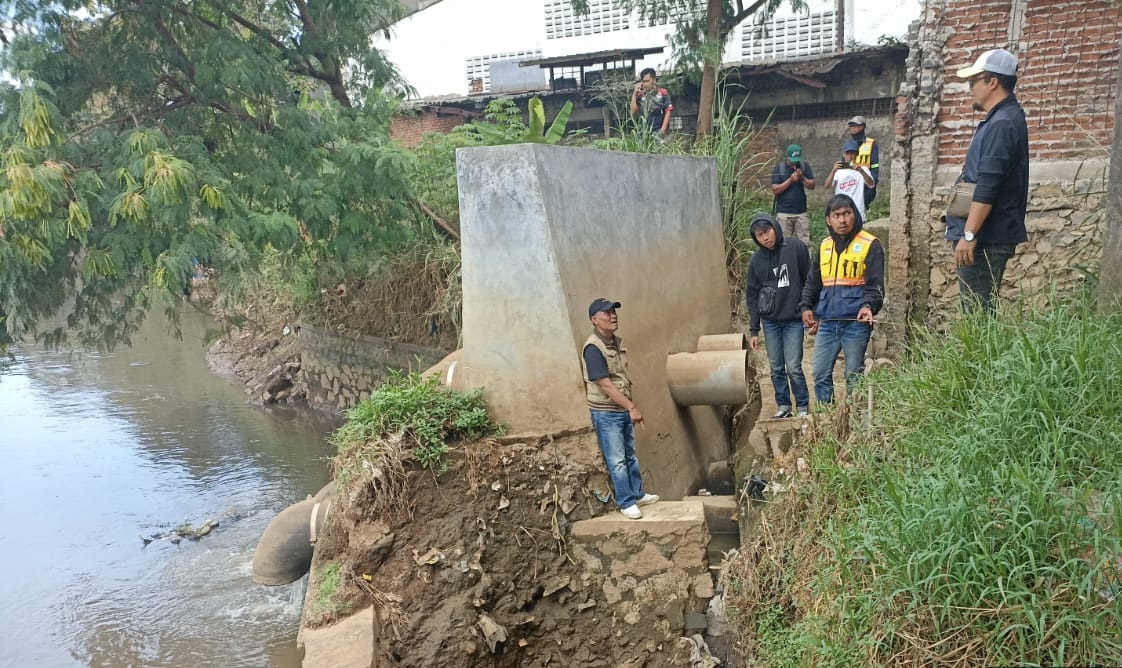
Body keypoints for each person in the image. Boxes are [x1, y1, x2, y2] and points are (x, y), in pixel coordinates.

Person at [945, 48, 1029, 313]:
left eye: (974, 81)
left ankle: (980, 357)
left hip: (984, 239)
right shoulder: (1003, 119)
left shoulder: (1003, 124)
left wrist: (969, 235)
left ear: (993, 82)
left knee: (977, 315)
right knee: (980, 312)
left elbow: (988, 186)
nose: (970, 88)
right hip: (984, 235)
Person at [800, 194, 885, 405]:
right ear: (828, 220)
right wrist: (806, 307)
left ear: (854, 215)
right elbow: (813, 281)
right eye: (836, 215)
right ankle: (827, 420)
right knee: (819, 373)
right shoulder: (824, 246)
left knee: (853, 376)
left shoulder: (870, 244)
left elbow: (875, 286)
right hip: (828, 323)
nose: (842, 220)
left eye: (847, 213)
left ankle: (853, 424)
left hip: (855, 324)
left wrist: (868, 306)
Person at [580, 298, 659, 520]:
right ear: (594, 320)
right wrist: (631, 407)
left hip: (619, 409)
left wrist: (627, 408)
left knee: (629, 455)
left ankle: (637, 494)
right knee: (617, 460)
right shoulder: (593, 348)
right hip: (606, 412)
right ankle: (626, 502)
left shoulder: (614, 342)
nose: (613, 315)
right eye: (607, 313)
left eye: (614, 311)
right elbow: (604, 384)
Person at [745, 212, 812, 418]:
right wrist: (754, 328)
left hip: (793, 319)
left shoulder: (796, 248)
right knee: (776, 367)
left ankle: (802, 407)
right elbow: (752, 295)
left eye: (767, 231)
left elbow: (808, 280)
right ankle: (783, 406)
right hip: (771, 322)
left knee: (793, 366)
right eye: (759, 235)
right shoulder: (756, 261)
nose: (765, 238)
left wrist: (808, 309)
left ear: (775, 227)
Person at [770, 144, 816, 245]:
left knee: (804, 243)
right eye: (792, 160)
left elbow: (812, 185)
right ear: (787, 157)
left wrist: (802, 178)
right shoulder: (779, 168)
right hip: (784, 213)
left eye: (797, 160)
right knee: (784, 243)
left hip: (801, 212)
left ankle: (804, 260)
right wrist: (790, 180)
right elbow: (775, 190)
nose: (795, 162)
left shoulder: (804, 166)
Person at [826, 140, 875, 223]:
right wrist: (833, 171)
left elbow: (871, 185)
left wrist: (861, 171)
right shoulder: (838, 171)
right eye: (848, 153)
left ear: (857, 154)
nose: (850, 156)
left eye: (853, 153)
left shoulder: (863, 169)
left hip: (858, 211)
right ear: (844, 154)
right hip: (841, 211)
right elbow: (827, 186)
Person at [846, 115, 879, 207]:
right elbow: (845, 164)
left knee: (862, 208)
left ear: (863, 126)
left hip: (865, 183)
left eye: (856, 125)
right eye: (851, 126)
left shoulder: (871, 143)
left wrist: (874, 182)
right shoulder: (848, 144)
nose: (853, 128)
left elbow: (875, 165)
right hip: (851, 183)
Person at [630, 67, 673, 137]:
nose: (645, 84)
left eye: (647, 81)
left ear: (654, 80)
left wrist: (663, 130)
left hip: (658, 131)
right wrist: (634, 95)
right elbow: (633, 112)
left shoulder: (663, 93)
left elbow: (668, 111)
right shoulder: (640, 95)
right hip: (643, 132)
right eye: (643, 81)